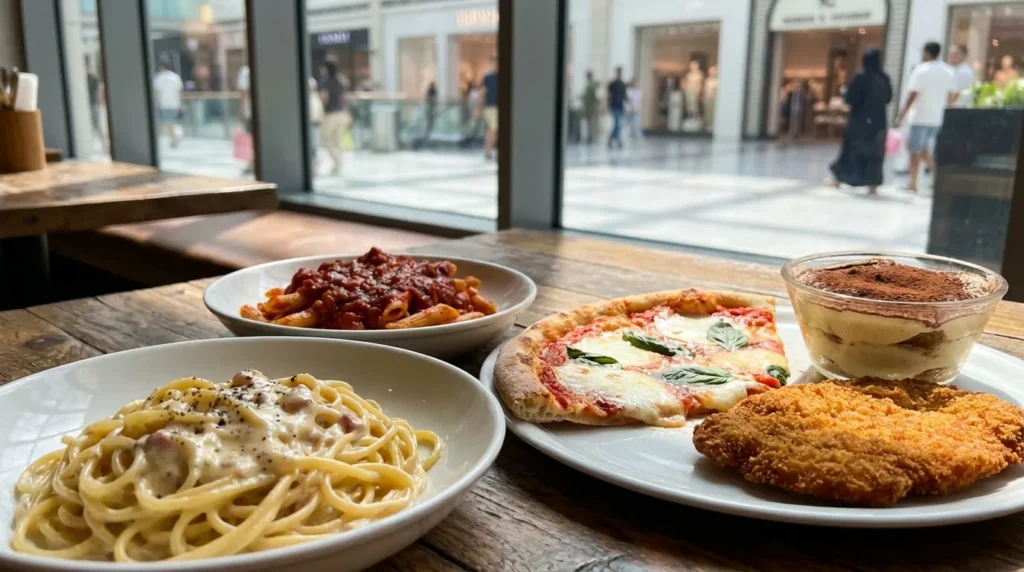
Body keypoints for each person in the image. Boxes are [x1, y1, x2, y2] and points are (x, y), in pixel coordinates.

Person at [827, 49, 893, 195]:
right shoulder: (884, 77)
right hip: (878, 122)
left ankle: (839, 179)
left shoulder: (861, 76)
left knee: (851, 150)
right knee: (875, 153)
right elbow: (888, 98)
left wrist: (845, 92)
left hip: (859, 121)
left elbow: (850, 98)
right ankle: (873, 184)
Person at [895, 42, 957, 193]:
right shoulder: (948, 70)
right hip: (938, 117)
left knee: (915, 151)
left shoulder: (921, 69)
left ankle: (913, 183)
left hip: (920, 116)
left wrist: (901, 115)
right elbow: (953, 94)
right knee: (923, 149)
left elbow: (913, 95)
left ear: (926, 52)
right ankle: (936, 177)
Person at [318, 60, 349, 175]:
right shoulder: (340, 80)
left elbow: (324, 97)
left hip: (331, 113)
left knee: (325, 139)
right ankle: (338, 165)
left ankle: (337, 161)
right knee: (337, 140)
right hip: (343, 113)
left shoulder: (325, 80)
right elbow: (344, 97)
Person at [152, 58, 183, 148]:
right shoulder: (175, 77)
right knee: (170, 122)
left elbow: (156, 91)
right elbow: (179, 91)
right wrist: (181, 103)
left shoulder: (159, 78)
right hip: (174, 103)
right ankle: (174, 137)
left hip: (164, 103)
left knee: (168, 123)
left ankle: (174, 137)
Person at [478, 55, 499, 160]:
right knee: (493, 129)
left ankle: (489, 150)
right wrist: (479, 107)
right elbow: (482, 92)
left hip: (496, 106)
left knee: (493, 130)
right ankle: (488, 150)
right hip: (491, 106)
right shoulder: (488, 77)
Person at [236, 63, 253, 174]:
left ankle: (251, 162)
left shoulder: (245, 71)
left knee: (251, 137)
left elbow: (243, 93)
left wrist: (242, 110)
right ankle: (251, 162)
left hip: (250, 111)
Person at [607, 66, 627, 149]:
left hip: (620, 106)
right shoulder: (612, 84)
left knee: (618, 124)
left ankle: (611, 139)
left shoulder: (623, 84)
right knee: (617, 124)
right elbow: (609, 95)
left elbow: (625, 96)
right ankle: (618, 141)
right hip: (614, 106)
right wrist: (608, 106)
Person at [308, 76, 324, 172]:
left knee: (314, 145)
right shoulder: (309, 98)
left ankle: (314, 164)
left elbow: (319, 111)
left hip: (315, 124)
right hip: (310, 124)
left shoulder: (315, 97)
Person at [582, 70, 599, 144]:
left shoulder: (591, 85)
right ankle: (590, 137)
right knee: (589, 123)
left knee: (591, 123)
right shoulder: (590, 84)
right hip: (589, 107)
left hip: (591, 107)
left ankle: (591, 138)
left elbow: (594, 97)